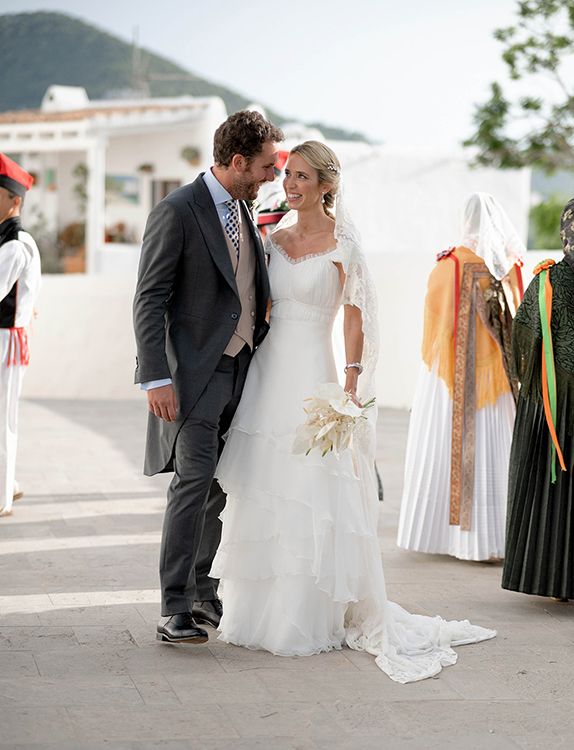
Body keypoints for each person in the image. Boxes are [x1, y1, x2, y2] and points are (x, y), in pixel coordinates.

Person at [210, 142, 496, 684]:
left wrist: (351, 380)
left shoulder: (345, 244)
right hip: (269, 374)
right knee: (268, 485)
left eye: (300, 177)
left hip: (317, 370)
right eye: (286, 175)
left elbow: (354, 316)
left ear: (325, 185)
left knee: (313, 487)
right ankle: (257, 613)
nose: (288, 184)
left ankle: (309, 613)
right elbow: (256, 307)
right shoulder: (271, 238)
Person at [133, 111, 283, 643]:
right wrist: (155, 378)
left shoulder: (246, 210)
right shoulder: (177, 210)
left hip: (243, 370)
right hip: (193, 374)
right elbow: (150, 299)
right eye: (266, 166)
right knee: (194, 481)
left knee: (219, 487)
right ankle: (174, 604)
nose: (272, 175)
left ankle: (203, 592)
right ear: (238, 161)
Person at [397, 193, 524, 561]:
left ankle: (445, 537)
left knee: (446, 447)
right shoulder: (508, 266)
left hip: (450, 381)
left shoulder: (448, 265)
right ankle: (496, 539)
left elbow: (435, 330)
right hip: (497, 380)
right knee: (494, 450)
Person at [502, 198, 574, 601]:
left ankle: (556, 581)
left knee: (557, 493)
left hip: (554, 403)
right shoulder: (544, 282)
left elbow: (523, 341)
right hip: (555, 403)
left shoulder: (545, 281)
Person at [0, 154, 41, 517]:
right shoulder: (9, 239)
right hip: (7, 337)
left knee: (2, 417)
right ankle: (7, 484)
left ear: (14, 200)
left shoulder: (14, 242)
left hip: (5, 341)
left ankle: (2, 496)